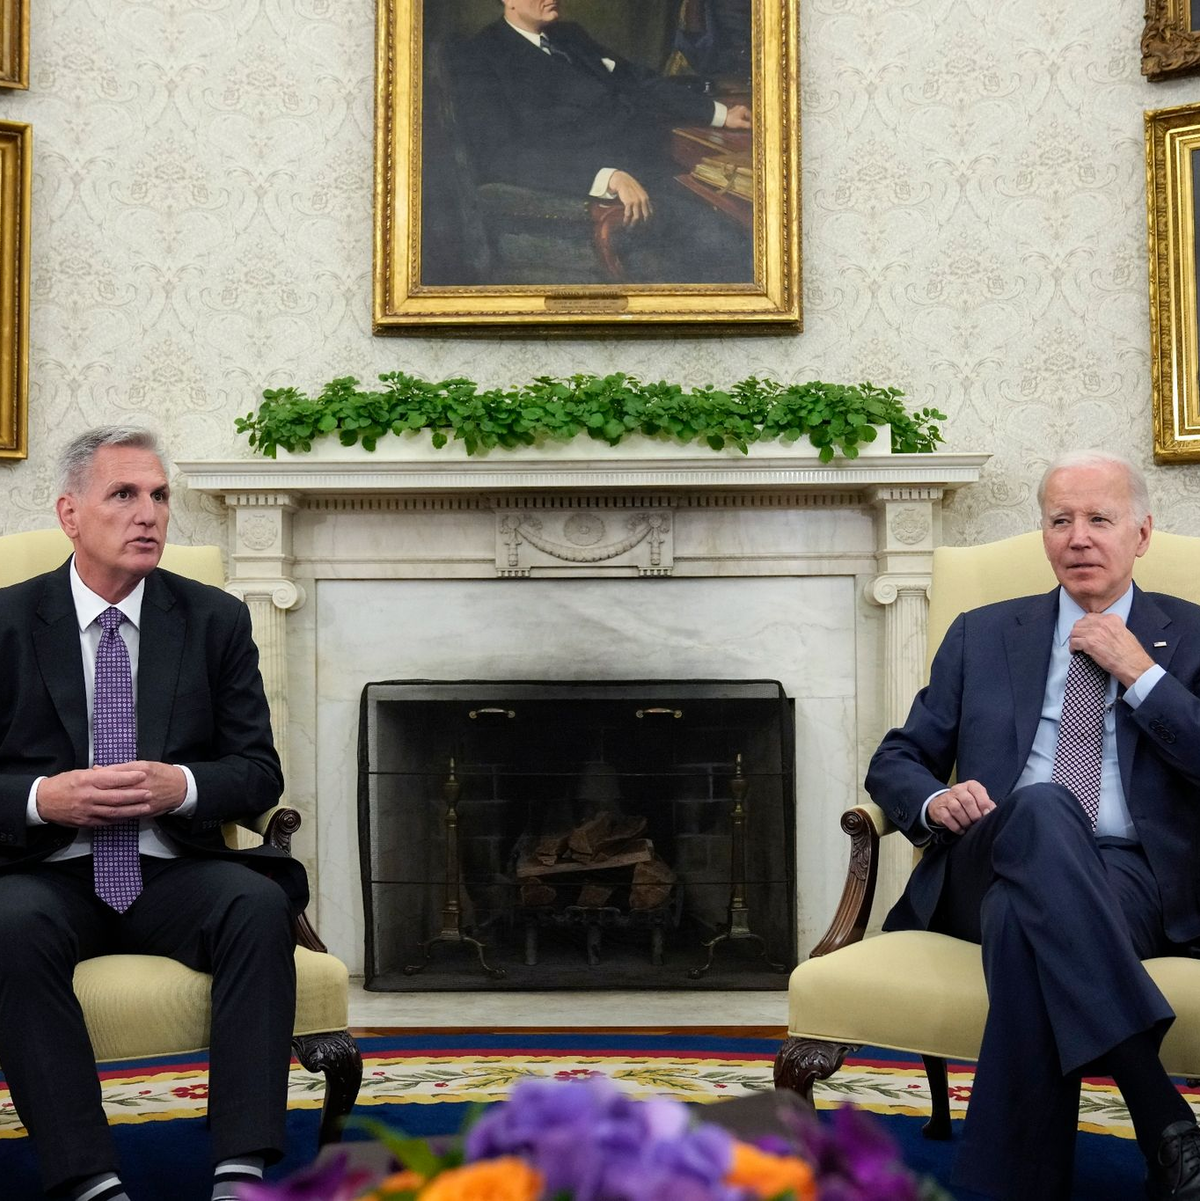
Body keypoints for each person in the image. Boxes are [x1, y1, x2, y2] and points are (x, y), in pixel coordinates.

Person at [867, 450, 1200, 1200]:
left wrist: (1140, 675)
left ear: (1141, 534)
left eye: (1099, 519)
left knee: (1025, 922)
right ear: (1044, 533)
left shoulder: (1191, 634)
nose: (1078, 537)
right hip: (990, 851)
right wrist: (928, 801)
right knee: (1046, 806)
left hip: (1129, 875)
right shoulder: (982, 633)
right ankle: (1161, 1116)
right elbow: (899, 756)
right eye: (1060, 520)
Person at [0, 427, 307, 1201]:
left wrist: (183, 785)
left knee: (258, 904)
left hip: (172, 868)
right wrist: (44, 799)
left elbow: (258, 771)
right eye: (125, 494)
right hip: (46, 872)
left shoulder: (214, 620)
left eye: (160, 495)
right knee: (9, 923)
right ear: (71, 513)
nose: (150, 514)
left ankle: (239, 1169)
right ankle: (89, 1178)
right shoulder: (6, 622)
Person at [452, 0, 753, 283]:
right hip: (600, 196)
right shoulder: (480, 56)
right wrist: (607, 178)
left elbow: (637, 80)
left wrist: (719, 114)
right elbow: (502, 155)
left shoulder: (569, 36)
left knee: (745, 212)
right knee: (726, 241)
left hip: (656, 167)